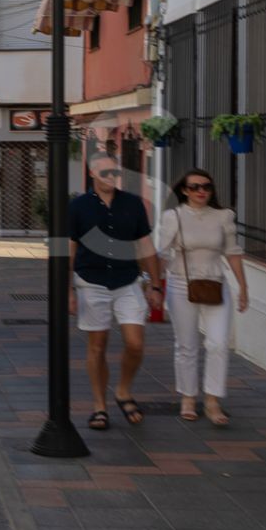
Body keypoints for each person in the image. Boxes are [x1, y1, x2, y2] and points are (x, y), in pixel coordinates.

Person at [67, 151, 164, 431]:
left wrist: (155, 285)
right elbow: (68, 249)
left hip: (127, 281)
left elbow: (146, 246)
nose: (112, 177)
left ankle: (123, 390)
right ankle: (99, 406)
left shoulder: (133, 204)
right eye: (106, 172)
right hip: (91, 282)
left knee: (135, 343)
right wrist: (68, 290)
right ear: (93, 174)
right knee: (97, 346)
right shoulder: (78, 207)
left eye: (115, 173)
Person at [158, 168, 248, 427]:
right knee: (186, 345)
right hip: (180, 285)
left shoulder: (224, 216)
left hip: (215, 284)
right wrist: (153, 285)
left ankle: (212, 400)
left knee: (218, 344)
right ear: (184, 191)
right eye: (195, 187)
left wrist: (243, 287)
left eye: (206, 187)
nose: (201, 191)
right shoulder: (173, 216)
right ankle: (188, 397)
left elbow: (233, 252)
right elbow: (163, 253)